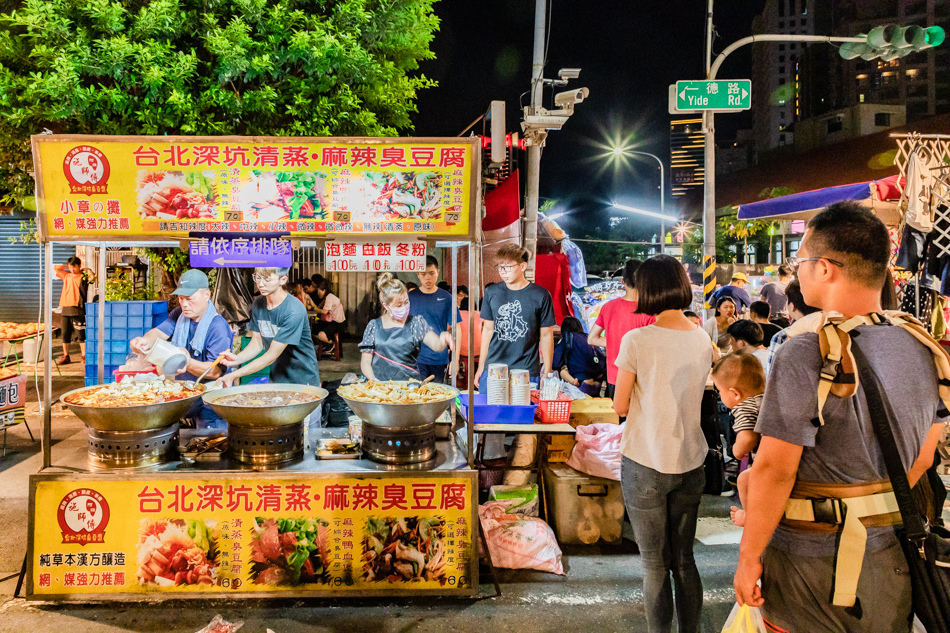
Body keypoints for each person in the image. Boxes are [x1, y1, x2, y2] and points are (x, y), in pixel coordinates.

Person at [734, 202, 947, 632]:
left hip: (811, 568)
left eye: (801, 262)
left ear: (825, 268)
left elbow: (776, 469)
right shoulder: (922, 345)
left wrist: (749, 556)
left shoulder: (804, 350)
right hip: (893, 557)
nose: (798, 273)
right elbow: (924, 457)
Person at [612, 254, 711, 633]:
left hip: (646, 461)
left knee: (654, 563)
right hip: (691, 461)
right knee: (684, 559)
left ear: (648, 290)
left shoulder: (637, 340)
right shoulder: (702, 337)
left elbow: (620, 406)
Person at [131, 269, 233, 428]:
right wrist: (144, 341)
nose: (184, 304)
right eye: (181, 298)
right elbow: (159, 332)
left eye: (189, 299)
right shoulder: (179, 314)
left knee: (210, 440)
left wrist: (189, 363)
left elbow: (215, 372)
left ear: (206, 295)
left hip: (209, 402)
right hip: (185, 396)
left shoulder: (217, 327)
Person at [474, 244, 556, 390]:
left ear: (522, 266)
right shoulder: (491, 292)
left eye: (507, 267)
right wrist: (481, 367)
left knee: (524, 406)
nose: (502, 271)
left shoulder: (541, 295)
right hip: (493, 368)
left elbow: (546, 335)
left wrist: (547, 371)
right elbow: (487, 330)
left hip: (526, 370)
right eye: (500, 267)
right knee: (490, 405)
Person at [220, 267, 320, 386]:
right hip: (277, 378)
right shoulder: (258, 303)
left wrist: (234, 375)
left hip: (303, 380)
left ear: (283, 280)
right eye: (257, 277)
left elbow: (271, 355)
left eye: (267, 279)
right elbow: (257, 343)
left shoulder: (294, 310)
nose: (260, 284)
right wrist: (238, 359)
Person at [359, 273, 453, 381]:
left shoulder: (416, 323)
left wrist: (442, 339)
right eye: (399, 305)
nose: (404, 307)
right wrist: (372, 379)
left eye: (406, 302)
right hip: (380, 386)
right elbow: (366, 361)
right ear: (386, 305)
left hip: (409, 386)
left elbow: (436, 345)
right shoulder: (374, 326)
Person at [710, 353, 765, 528]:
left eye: (720, 391)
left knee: (744, 479)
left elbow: (748, 437)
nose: (720, 395)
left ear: (734, 393)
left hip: (767, 462)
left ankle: (750, 515)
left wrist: (736, 450)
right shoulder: (766, 398)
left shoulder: (744, 406)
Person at [588, 259, 656, 399]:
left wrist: (615, 342)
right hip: (641, 379)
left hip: (614, 377)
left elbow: (592, 339)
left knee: (617, 412)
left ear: (623, 281)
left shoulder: (608, 307)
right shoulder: (650, 311)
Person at [407, 256, 461, 384]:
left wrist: (455, 359)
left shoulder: (447, 298)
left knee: (437, 393)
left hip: (439, 358)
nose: (427, 278)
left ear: (438, 272)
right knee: (416, 392)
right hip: (414, 359)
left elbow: (457, 328)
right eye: (423, 274)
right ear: (418, 274)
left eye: (431, 273)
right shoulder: (410, 297)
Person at [54, 256, 94, 364]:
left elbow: (92, 278)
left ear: (79, 266)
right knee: (65, 333)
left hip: (78, 308)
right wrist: (68, 266)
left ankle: (84, 356)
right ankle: (66, 356)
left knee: (80, 333)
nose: (72, 269)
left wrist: (88, 269)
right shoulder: (66, 275)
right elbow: (56, 267)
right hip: (65, 307)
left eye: (74, 267)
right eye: (70, 267)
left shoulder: (83, 277)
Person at [553, 317, 606, 396]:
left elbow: (555, 363)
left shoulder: (567, 336)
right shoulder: (588, 337)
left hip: (580, 383)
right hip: (598, 382)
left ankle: (573, 381)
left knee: (563, 371)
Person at [310, 278, 346, 354]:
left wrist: (313, 308)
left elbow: (325, 311)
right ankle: (325, 344)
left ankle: (331, 344)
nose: (318, 293)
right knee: (313, 328)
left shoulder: (329, 297)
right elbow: (319, 307)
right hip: (332, 322)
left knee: (321, 335)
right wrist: (311, 303)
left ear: (323, 290)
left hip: (338, 323)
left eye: (318, 291)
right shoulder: (327, 297)